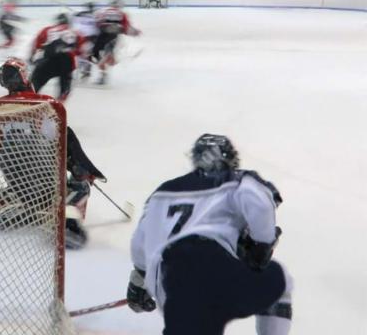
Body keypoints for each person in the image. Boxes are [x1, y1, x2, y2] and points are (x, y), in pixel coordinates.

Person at [126, 134, 293, 335]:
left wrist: (139, 281)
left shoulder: (161, 193)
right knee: (278, 284)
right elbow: (259, 202)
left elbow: (139, 245)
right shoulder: (235, 179)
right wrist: (262, 247)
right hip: (208, 265)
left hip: (167, 282)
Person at [0, 58, 106, 249]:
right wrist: (85, 170)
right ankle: (67, 217)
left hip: (20, 187)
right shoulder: (45, 105)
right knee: (81, 186)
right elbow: (61, 142)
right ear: (25, 76)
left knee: (21, 192)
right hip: (50, 184)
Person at [29, 13, 86, 101]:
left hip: (49, 60)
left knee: (34, 84)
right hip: (67, 62)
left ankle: (27, 100)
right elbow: (82, 51)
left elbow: (36, 45)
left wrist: (31, 57)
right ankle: (60, 103)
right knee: (64, 88)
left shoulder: (47, 30)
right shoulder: (76, 33)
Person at [92, 2, 141, 85]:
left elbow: (97, 23)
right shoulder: (121, 14)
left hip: (103, 35)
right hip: (113, 36)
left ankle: (103, 72)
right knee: (108, 54)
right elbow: (126, 28)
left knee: (97, 54)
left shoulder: (103, 11)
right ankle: (109, 61)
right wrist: (135, 32)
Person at [71, 2, 99, 80]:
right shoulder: (97, 15)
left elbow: (73, 22)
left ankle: (85, 70)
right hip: (89, 38)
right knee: (86, 54)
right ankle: (86, 71)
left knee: (82, 54)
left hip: (81, 37)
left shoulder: (79, 14)